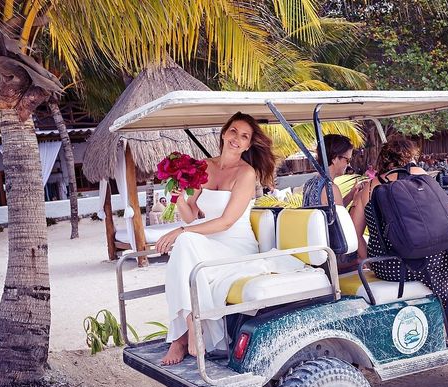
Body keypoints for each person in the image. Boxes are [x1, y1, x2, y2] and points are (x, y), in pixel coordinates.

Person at [155, 112, 276, 365]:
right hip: (208, 243)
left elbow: (226, 221)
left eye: (244, 136)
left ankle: (182, 338)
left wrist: (180, 232)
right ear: (224, 132)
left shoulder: (246, 173)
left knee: (185, 243)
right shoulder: (203, 167)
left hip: (236, 246)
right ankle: (191, 332)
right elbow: (190, 216)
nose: (237, 139)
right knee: (187, 248)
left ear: (248, 144)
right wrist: (178, 198)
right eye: (233, 131)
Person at [349, 136, 448, 345]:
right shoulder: (418, 175)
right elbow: (441, 218)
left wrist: (368, 261)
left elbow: (355, 234)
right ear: (409, 156)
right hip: (414, 263)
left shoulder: (368, 189)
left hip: (384, 266)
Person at [302, 134, 362, 208]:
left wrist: (351, 194)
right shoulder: (331, 189)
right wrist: (356, 202)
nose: (349, 164)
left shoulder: (309, 184)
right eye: (347, 160)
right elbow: (341, 218)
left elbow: (334, 209)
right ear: (334, 158)